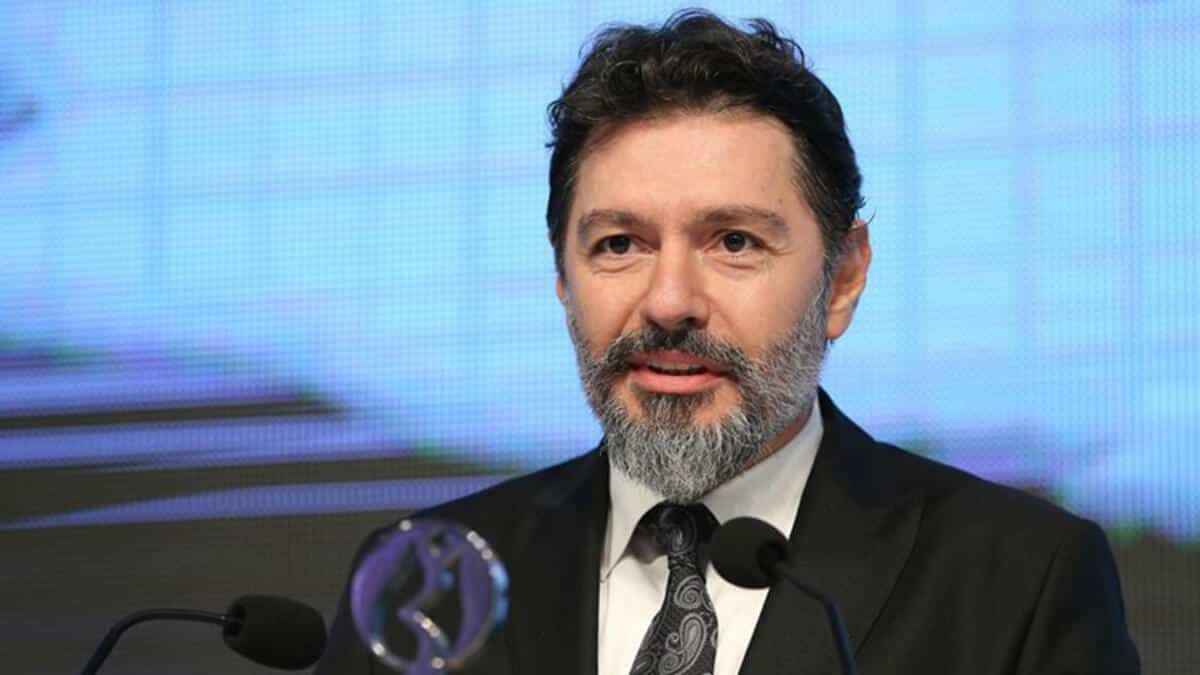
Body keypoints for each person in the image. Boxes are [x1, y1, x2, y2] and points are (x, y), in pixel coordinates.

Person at [317, 10, 1140, 674]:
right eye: (619, 244)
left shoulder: (1015, 580)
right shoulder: (428, 582)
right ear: (563, 278)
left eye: (734, 241)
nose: (669, 302)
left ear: (844, 276)